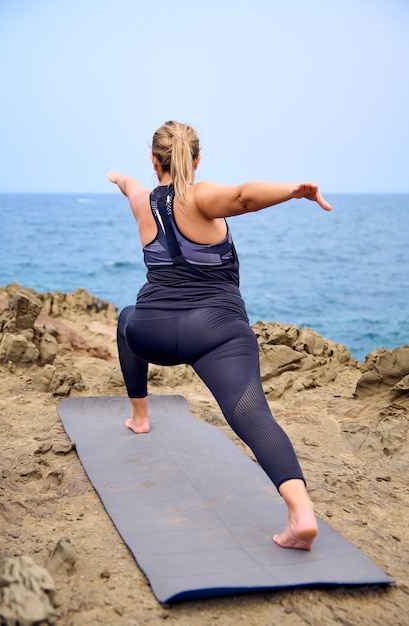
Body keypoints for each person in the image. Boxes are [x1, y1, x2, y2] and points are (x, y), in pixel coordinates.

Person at [107, 120, 332, 551]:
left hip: (152, 332)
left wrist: (117, 176)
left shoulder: (141, 199)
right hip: (214, 333)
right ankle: (301, 515)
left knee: (125, 316)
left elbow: (129, 184)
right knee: (250, 413)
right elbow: (244, 197)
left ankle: (140, 417)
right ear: (196, 160)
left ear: (155, 161)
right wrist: (292, 190)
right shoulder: (200, 194)